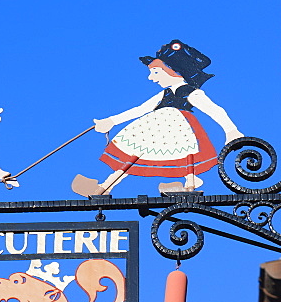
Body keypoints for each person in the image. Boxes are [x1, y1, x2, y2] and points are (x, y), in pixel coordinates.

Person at [71, 40, 243, 197]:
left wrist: (231, 131)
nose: (151, 77)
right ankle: (104, 188)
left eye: (155, 72)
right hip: (155, 130)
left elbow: (214, 109)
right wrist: (111, 121)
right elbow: (141, 109)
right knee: (133, 155)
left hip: (177, 130)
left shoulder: (190, 92)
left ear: (173, 71)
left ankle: (189, 184)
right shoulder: (164, 94)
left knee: (138, 156)